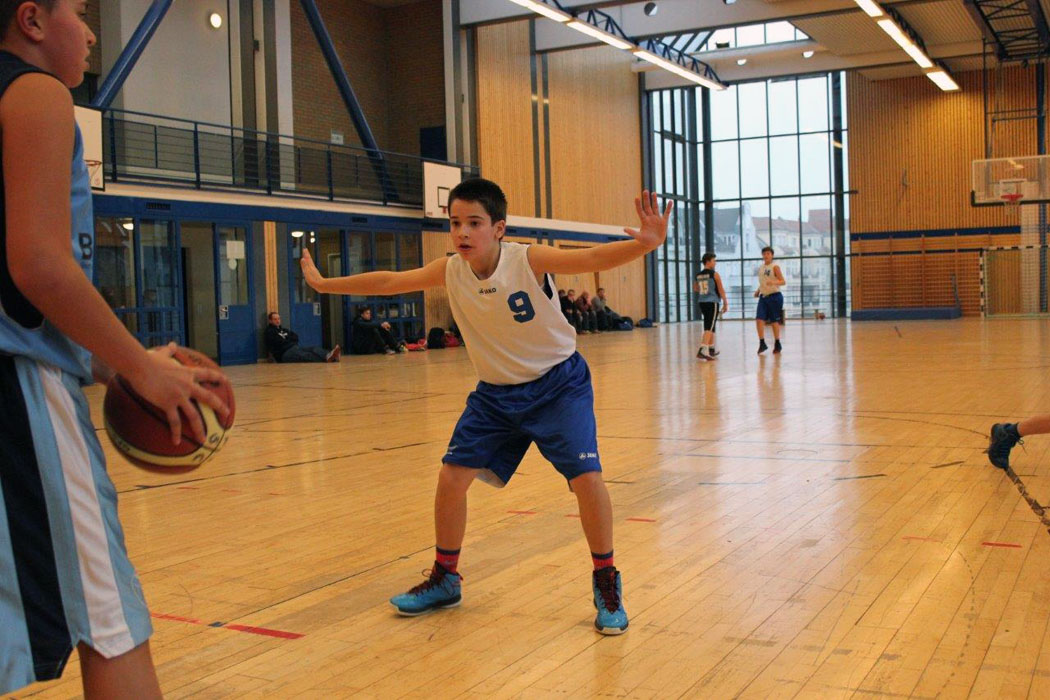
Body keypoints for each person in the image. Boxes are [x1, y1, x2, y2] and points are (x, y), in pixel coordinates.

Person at [300, 178, 671, 635]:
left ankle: (606, 581)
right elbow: (390, 281)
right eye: (455, 222)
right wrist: (324, 283)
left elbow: (592, 259)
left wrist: (646, 244)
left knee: (587, 478)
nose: (462, 232)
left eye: (474, 223)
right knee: (451, 478)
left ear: (498, 228)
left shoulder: (528, 260)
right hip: (495, 394)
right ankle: (445, 578)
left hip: (557, 386)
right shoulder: (450, 269)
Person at [0, 2, 231, 696]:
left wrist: (108, 362)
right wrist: (137, 367)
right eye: (78, 10)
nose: (91, 30)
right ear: (32, 20)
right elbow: (38, 267)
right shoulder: (36, 92)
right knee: (107, 611)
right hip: (18, 391)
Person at [264, 311, 340, 362]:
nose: (278, 321)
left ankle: (329, 354)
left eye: (278, 319)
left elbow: (295, 336)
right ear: (270, 321)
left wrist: (289, 341)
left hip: (294, 347)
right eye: (275, 319)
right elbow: (278, 342)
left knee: (313, 349)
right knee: (306, 355)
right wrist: (289, 341)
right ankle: (331, 359)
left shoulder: (284, 330)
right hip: (284, 354)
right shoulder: (269, 332)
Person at [694, 253, 727, 361]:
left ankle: (711, 348)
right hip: (712, 302)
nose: (715, 262)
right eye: (714, 260)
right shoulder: (714, 274)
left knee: (710, 325)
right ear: (708, 261)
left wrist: (705, 290)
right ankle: (703, 349)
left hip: (702, 302)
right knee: (709, 326)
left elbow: (695, 288)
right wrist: (725, 302)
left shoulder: (698, 275)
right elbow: (721, 289)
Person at [754, 246, 785, 354]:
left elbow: (783, 281)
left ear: (772, 255)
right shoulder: (761, 268)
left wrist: (774, 282)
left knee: (774, 321)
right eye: (764, 254)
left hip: (775, 296)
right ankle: (762, 343)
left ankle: (777, 343)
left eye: (768, 253)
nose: (766, 255)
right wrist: (758, 290)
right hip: (763, 297)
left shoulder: (775, 267)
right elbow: (763, 281)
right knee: (759, 319)